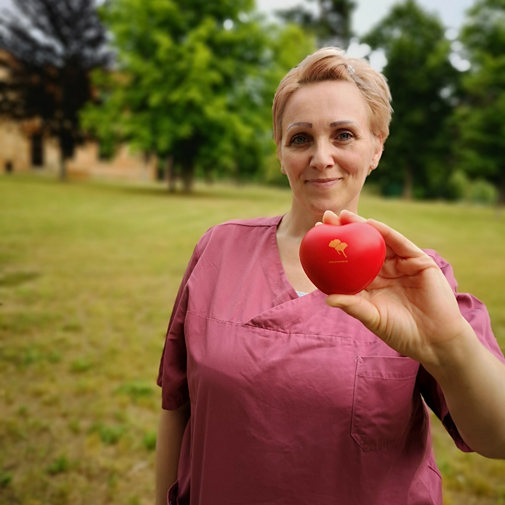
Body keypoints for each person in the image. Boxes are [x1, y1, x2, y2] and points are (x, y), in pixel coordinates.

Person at [155, 47, 505, 505]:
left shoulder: (418, 279)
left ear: (376, 148)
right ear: (280, 152)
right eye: (301, 138)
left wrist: (449, 344)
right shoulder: (219, 250)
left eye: (343, 135)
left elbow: (496, 439)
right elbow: (178, 406)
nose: (321, 157)